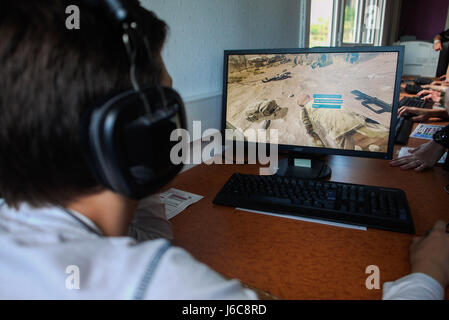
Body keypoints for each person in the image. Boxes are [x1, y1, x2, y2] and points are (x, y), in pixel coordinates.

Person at [0, 0, 447, 300]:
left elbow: (152, 236)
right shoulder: (164, 284)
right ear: (137, 132)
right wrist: (426, 279)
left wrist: (138, 177)